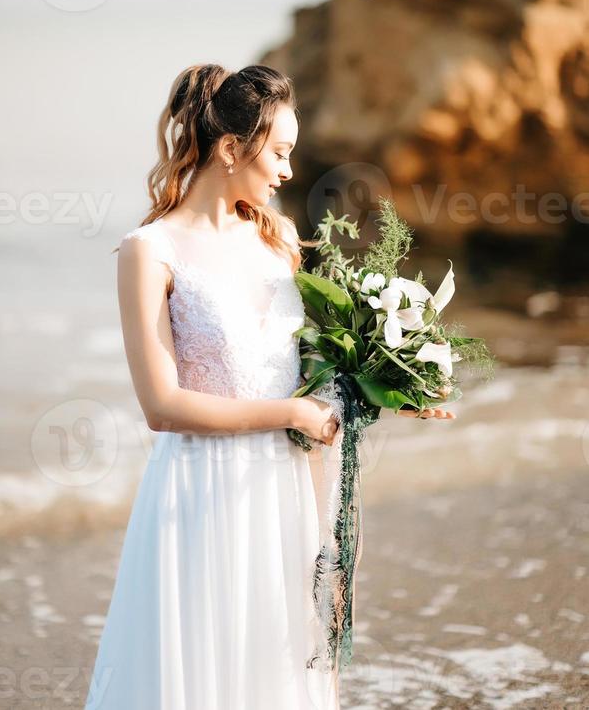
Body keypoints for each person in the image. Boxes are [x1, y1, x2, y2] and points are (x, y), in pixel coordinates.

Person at [83, 63, 454, 710]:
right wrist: (293, 412)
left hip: (285, 484)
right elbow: (162, 407)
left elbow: (312, 373)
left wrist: (390, 386)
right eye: (279, 152)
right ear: (231, 148)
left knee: (280, 665)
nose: (288, 170)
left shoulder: (276, 240)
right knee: (202, 670)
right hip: (200, 495)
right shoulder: (150, 251)